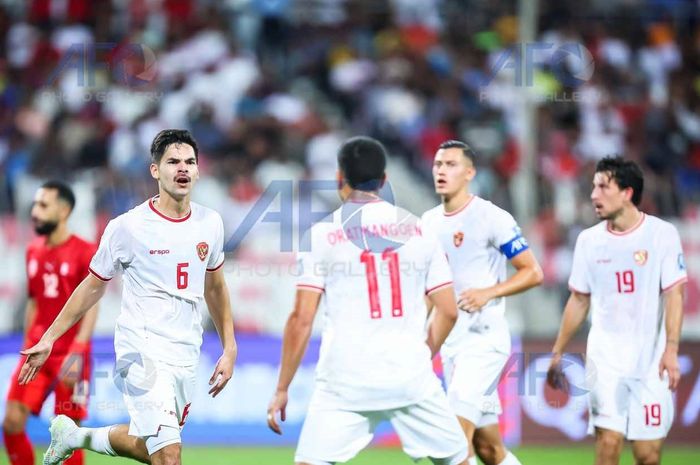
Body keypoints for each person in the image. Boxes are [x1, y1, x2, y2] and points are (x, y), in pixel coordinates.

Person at [19, 129, 238, 465]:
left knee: (151, 448)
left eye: (189, 162)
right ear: (155, 171)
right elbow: (92, 285)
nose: (183, 168)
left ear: (197, 170)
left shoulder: (211, 223)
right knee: (169, 455)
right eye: (173, 162)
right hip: (142, 349)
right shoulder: (129, 227)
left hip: (186, 351)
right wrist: (49, 338)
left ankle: (76, 436)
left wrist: (230, 346)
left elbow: (215, 287)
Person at [266, 136, 468, 465]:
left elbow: (301, 320)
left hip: (345, 381)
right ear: (384, 180)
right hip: (410, 376)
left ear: (339, 178)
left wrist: (282, 388)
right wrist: (421, 354)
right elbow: (448, 311)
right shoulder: (420, 231)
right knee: (459, 460)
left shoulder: (321, 234)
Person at [547, 157, 687, 465]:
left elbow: (674, 293)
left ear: (626, 192)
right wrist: (557, 352)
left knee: (647, 456)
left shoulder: (662, 234)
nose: (594, 195)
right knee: (608, 445)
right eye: (593, 187)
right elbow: (579, 300)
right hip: (606, 360)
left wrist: (672, 349)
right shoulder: (588, 241)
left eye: (602, 187)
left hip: (651, 362)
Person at [421, 140, 543, 465]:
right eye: (437, 164)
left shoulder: (491, 217)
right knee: (489, 449)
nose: (441, 171)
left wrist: (488, 292)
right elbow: (428, 289)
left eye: (450, 165)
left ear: (469, 173)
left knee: (451, 441)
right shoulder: (428, 223)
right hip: (451, 344)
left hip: (483, 342)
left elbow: (533, 271)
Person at [3, 181, 98, 465]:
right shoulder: (32, 250)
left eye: (43, 205)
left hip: (72, 354)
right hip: (37, 350)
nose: (35, 211)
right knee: (11, 422)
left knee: (70, 433)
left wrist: (80, 348)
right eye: (35, 204)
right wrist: (26, 344)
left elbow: (92, 304)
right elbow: (33, 300)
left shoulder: (85, 251)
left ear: (64, 210)